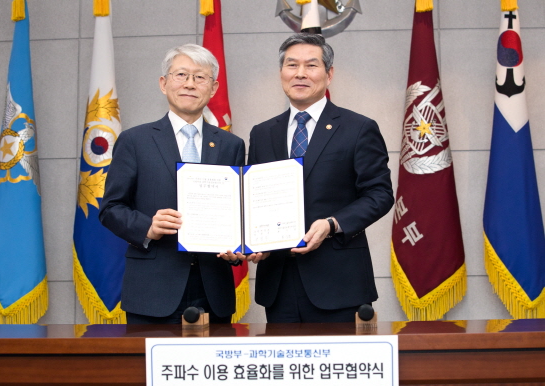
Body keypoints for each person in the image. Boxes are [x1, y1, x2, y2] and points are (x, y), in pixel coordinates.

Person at [245, 33, 394, 323]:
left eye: (311, 65)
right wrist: (251, 240)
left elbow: (379, 194)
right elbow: (254, 199)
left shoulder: (358, 128)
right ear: (281, 73)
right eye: (291, 65)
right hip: (278, 283)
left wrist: (332, 224)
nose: (300, 73)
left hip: (339, 283)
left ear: (329, 74)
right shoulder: (262, 133)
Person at [99, 44, 245, 324]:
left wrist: (239, 247)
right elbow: (110, 209)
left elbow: (238, 212)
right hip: (152, 289)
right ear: (164, 84)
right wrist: (148, 227)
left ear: (213, 89)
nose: (190, 84)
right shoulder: (135, 141)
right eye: (181, 75)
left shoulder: (231, 145)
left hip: (213, 288)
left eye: (200, 77)